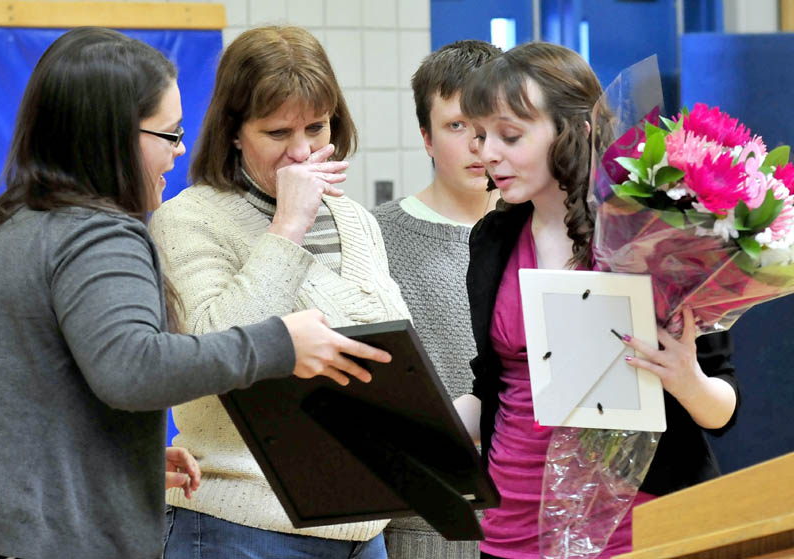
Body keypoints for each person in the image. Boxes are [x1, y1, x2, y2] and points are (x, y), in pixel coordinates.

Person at [0, 27, 392, 559]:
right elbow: (136, 368)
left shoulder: (22, 224)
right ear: (112, 135)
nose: (179, 151)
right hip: (101, 536)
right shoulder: (102, 232)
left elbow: (47, 394)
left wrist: (120, 457)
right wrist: (281, 343)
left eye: (317, 128)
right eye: (169, 133)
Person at [452, 42, 740, 559]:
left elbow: (721, 406)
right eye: (480, 136)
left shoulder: (656, 234)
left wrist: (687, 380)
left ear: (576, 128)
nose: (488, 153)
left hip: (635, 523)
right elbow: (493, 385)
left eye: (510, 135)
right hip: (509, 519)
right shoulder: (492, 237)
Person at [148, 26, 411, 559]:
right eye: (277, 133)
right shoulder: (187, 220)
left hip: (363, 527)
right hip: (242, 528)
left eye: (317, 127)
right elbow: (209, 354)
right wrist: (288, 226)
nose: (302, 152)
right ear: (234, 132)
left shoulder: (355, 220)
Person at [370, 40, 500, 559]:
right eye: (456, 126)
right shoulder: (374, 236)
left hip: (536, 512)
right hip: (421, 522)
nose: (478, 143)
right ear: (425, 137)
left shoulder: (547, 233)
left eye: (491, 123)